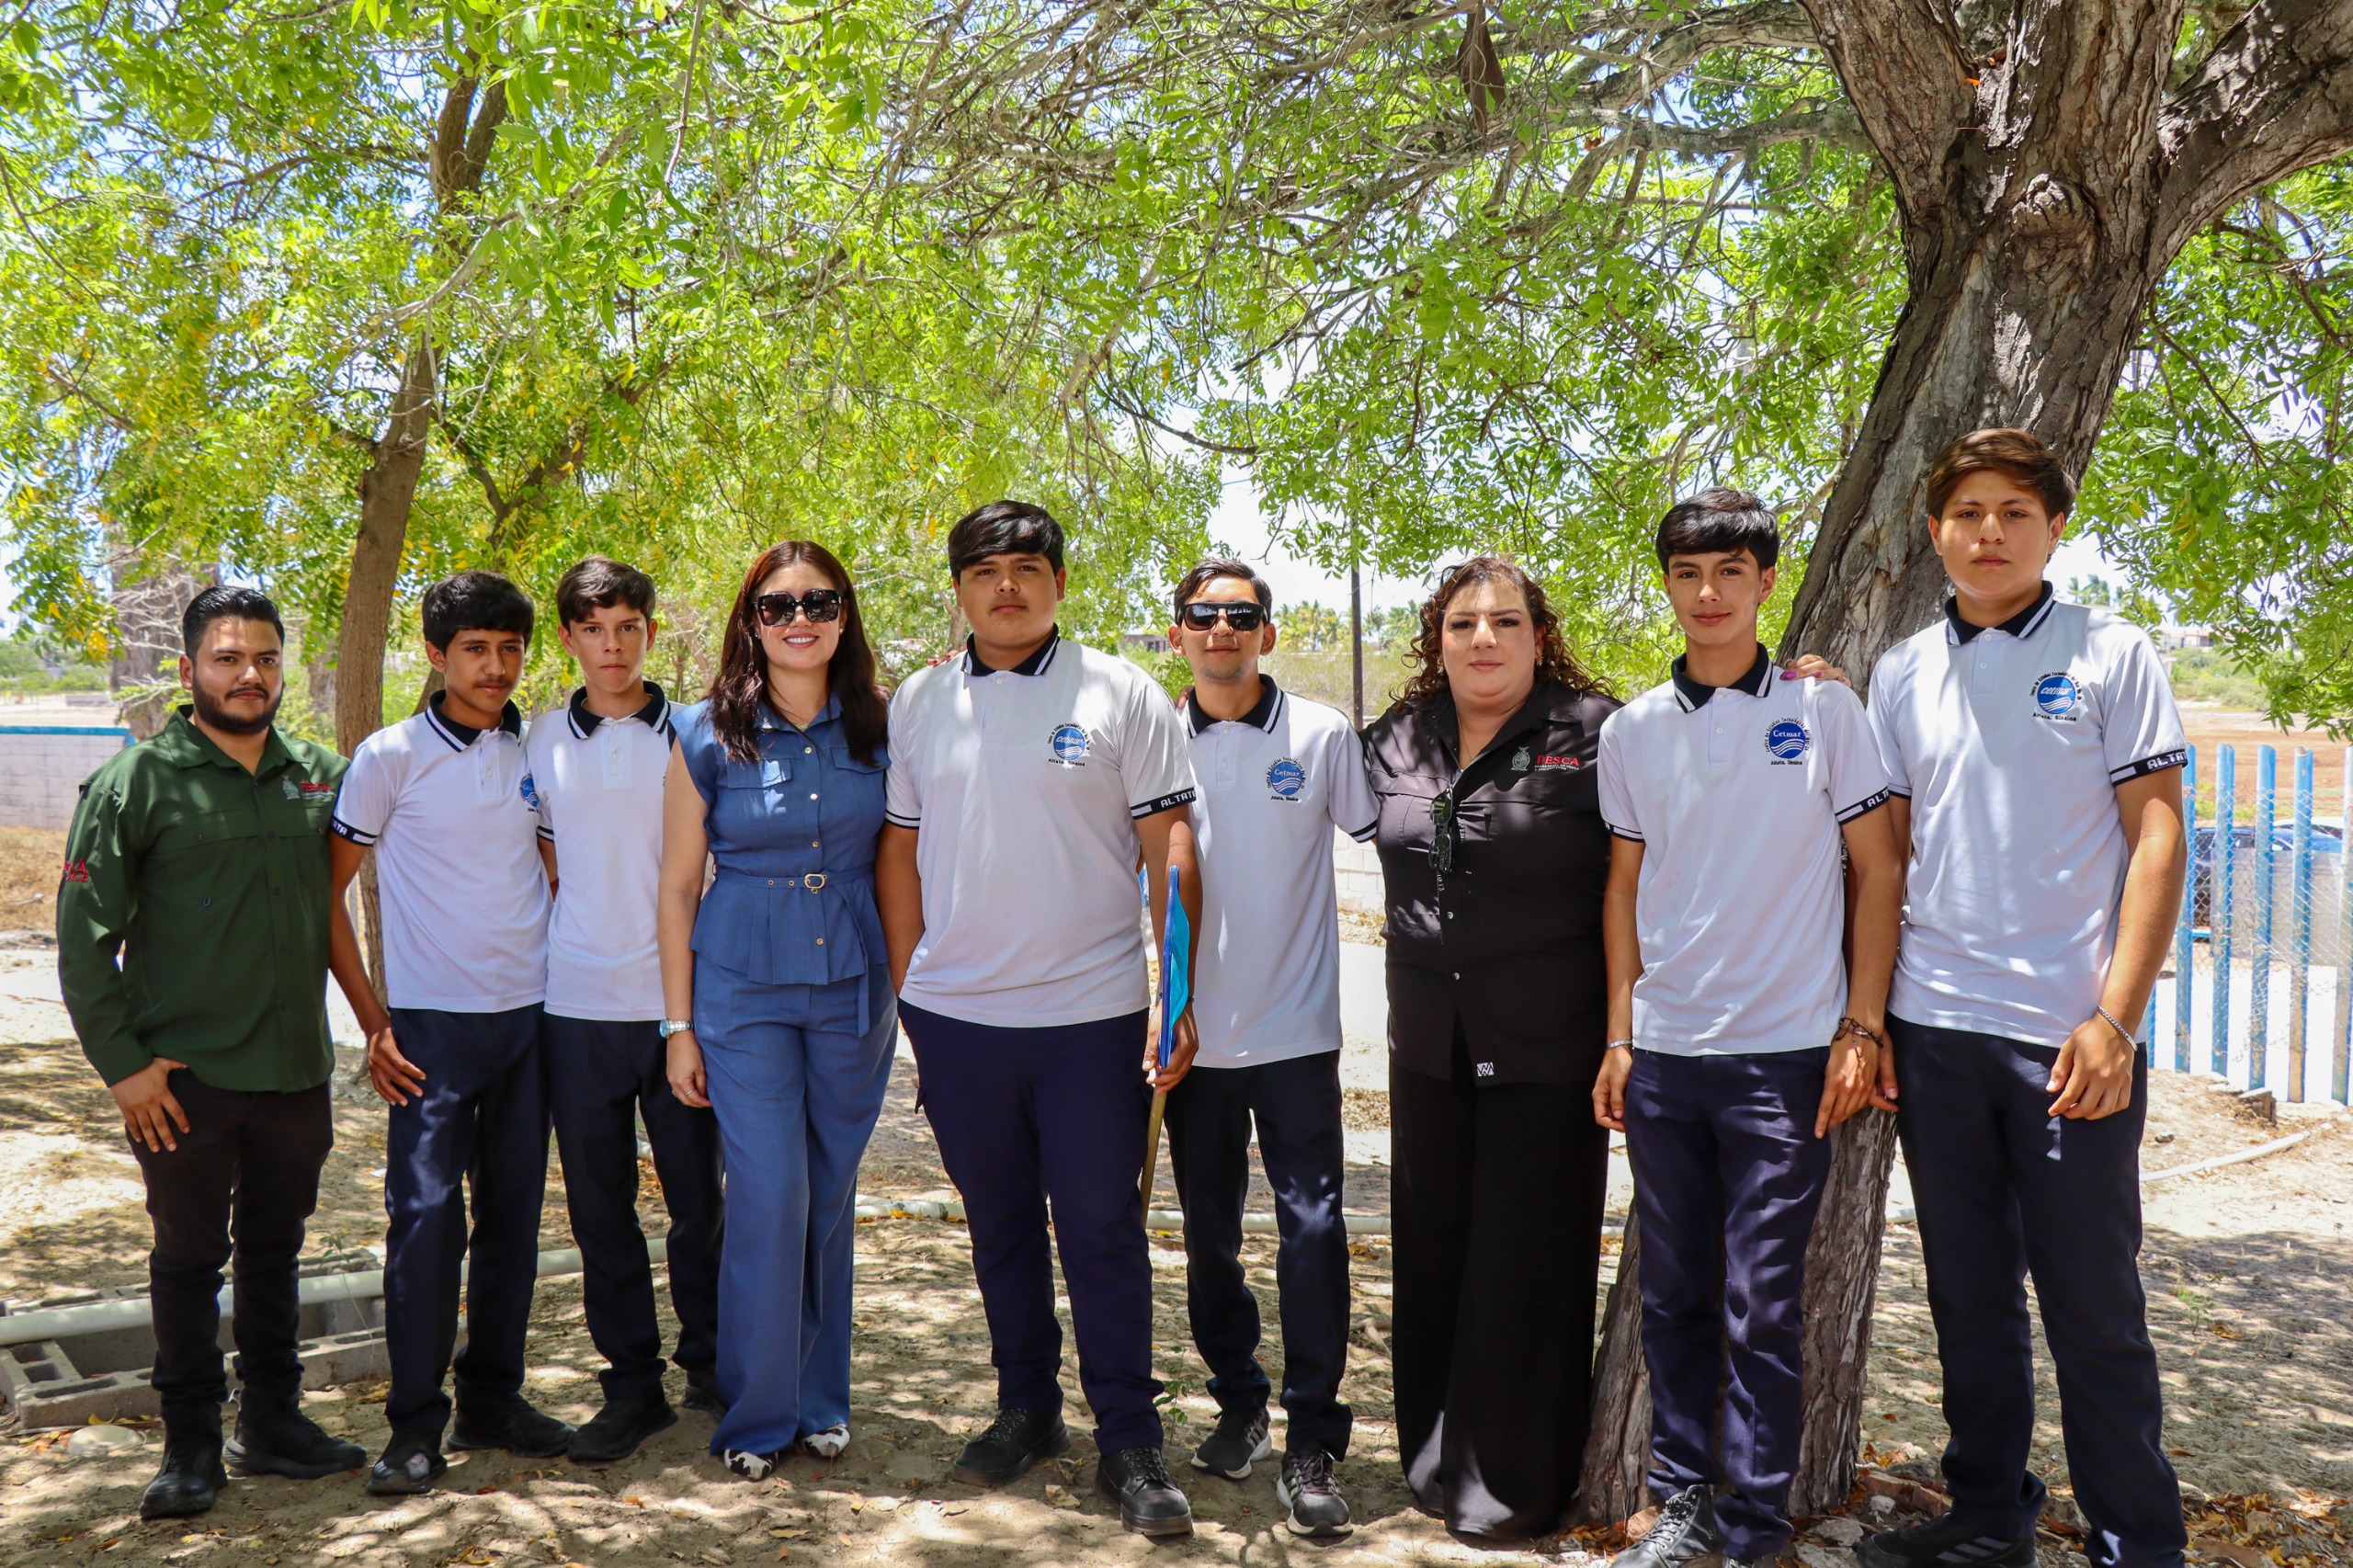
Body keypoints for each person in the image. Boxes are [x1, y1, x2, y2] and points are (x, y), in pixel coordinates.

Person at [1859, 429, 2188, 1568]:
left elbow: (2158, 838)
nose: (1987, 532)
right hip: (1933, 1026)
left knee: (2093, 1307)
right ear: (1934, 530)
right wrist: (1873, 1018)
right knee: (1968, 1295)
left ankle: (2136, 1540)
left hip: (2067, 1040)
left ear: (2053, 527)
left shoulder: (2110, 650)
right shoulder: (1901, 670)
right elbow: (1885, 856)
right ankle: (1989, 1512)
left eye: (2012, 511)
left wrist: (2115, 1019)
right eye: (1966, 512)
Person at [875, 500, 1203, 1537]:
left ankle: (1130, 1440)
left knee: (1102, 1228)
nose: (1006, 586)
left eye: (1026, 568)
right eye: (984, 570)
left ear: (1059, 582)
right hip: (957, 1020)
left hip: (1091, 1019)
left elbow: (1171, 847)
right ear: (959, 589)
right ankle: (1027, 1407)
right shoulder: (920, 700)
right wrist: (910, 991)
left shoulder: (1120, 691)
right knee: (1001, 1226)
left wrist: (1177, 996)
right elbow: (898, 853)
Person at [1592, 491, 1904, 1568]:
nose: (1708, 592)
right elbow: (1622, 888)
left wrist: (1861, 1023)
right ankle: (1680, 1500)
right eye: (1687, 572)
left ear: (1766, 581)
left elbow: (1878, 870)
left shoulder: (1824, 712)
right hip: (1666, 1057)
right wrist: (1620, 1033)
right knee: (1673, 1293)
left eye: (1731, 570)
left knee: (1761, 1302)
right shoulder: (1632, 729)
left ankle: (1756, 1524)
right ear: (1667, 585)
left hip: (1785, 1059)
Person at [56, 585, 373, 1519]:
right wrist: (124, 1068)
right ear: (189, 667)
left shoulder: (322, 776)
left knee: (276, 1247)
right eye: (228, 658)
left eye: (266, 658)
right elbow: (83, 938)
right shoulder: (136, 783)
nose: (249, 675)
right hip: (181, 1079)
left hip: (293, 1069)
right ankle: (189, 1442)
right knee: (188, 1258)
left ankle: (271, 1420)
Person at [1361, 556, 1620, 1540]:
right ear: (1436, 637)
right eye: (1463, 622)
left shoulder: (1598, 735)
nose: (1483, 639)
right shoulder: (1394, 737)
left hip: (1548, 1043)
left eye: (1506, 622)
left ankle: (1512, 1485)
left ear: (1538, 638)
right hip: (1427, 1040)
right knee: (1432, 1251)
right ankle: (1434, 1462)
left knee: (1528, 1261)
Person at [655, 540, 896, 1479]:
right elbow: (678, 887)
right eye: (778, 605)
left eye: (820, 602)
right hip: (740, 991)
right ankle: (757, 1415)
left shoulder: (884, 724)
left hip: (855, 986)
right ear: (751, 621)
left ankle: (820, 1399)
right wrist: (679, 1027)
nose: (800, 619)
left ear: (844, 616)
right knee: (769, 1194)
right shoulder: (703, 731)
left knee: (829, 1192)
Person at [329, 570, 572, 1495]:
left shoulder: (535, 753)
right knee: (427, 1222)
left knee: (513, 1222)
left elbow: (555, 873)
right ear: (436, 654)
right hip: (431, 1030)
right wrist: (374, 1022)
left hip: (530, 1022)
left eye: (511, 649)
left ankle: (492, 1401)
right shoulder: (390, 756)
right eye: (475, 649)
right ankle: (412, 1426)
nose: (496, 667)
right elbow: (324, 894)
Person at [1162, 559, 1378, 1540]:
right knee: (1207, 1235)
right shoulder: (1149, 734)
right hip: (1191, 1040)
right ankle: (1240, 1399)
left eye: (1240, 616)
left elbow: (1390, 824)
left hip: (1297, 1034)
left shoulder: (1322, 734)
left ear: (1268, 633)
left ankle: (1313, 1439)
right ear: (1178, 632)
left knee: (1313, 1233)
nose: (1222, 629)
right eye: (1202, 615)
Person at [526, 557, 724, 1465]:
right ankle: (632, 1384)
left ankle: (714, 1369)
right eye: (593, 630)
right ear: (570, 637)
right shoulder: (538, 741)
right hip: (576, 1008)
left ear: (649, 630)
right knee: (600, 1209)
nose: (612, 646)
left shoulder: (699, 732)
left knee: (699, 1203)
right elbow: (548, 860)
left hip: (681, 1008)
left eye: (628, 628)